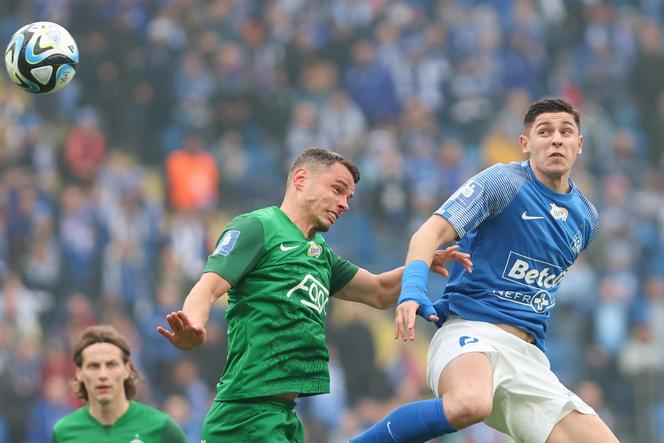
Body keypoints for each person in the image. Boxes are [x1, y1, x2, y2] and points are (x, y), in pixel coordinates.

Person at [156, 147, 472, 442]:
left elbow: (379, 292)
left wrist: (420, 264)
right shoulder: (258, 227)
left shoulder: (321, 254)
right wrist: (193, 324)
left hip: (285, 416)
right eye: (337, 189)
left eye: (349, 197)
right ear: (301, 179)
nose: (345, 204)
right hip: (246, 415)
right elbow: (208, 285)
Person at [351, 99, 619, 442]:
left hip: (528, 358)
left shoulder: (587, 218)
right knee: (471, 403)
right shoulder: (503, 183)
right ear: (526, 144)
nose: (556, 140)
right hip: (471, 332)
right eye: (544, 132)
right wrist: (413, 288)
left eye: (566, 132)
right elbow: (429, 232)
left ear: (579, 145)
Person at [52, 325, 187, 443]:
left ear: (127, 370)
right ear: (79, 373)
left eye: (111, 365)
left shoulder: (162, 427)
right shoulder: (63, 432)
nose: (103, 375)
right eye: (94, 366)